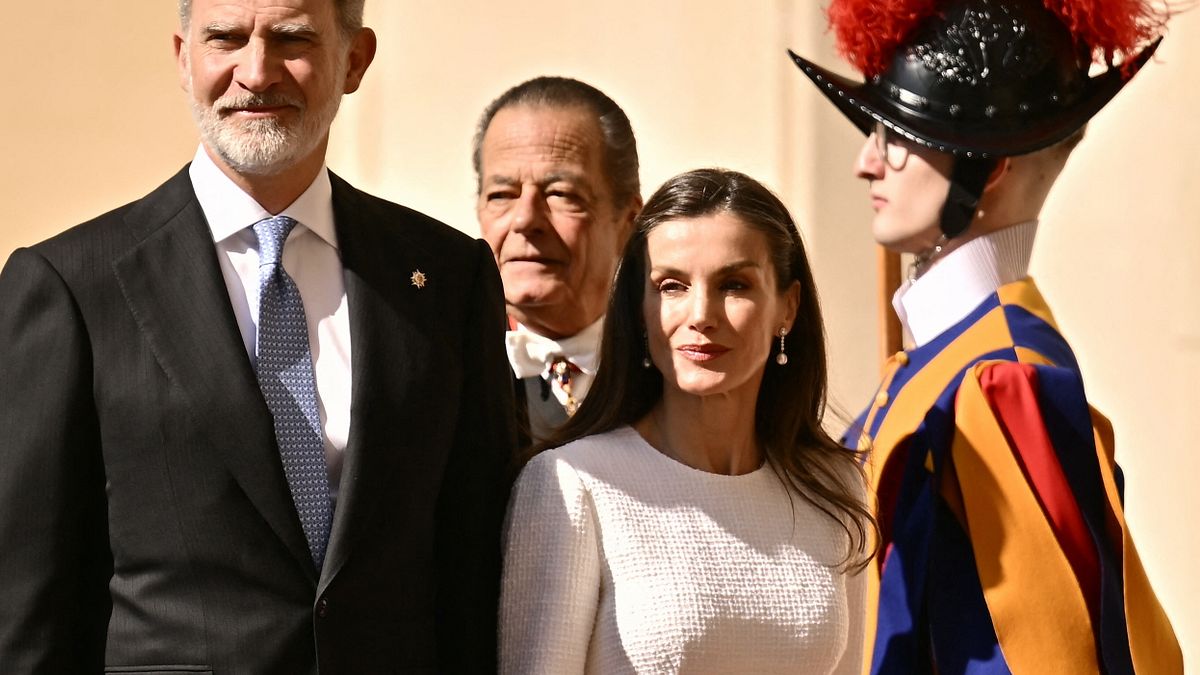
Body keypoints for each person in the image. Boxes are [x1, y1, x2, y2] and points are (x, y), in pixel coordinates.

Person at [0, 0, 515, 671]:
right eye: (226, 39)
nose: (256, 72)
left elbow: (472, 563)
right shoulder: (73, 286)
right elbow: (26, 605)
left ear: (355, 59)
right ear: (183, 59)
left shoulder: (445, 278)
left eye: (292, 39)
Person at [789, 0, 1182, 672]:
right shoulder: (940, 364)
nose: (865, 162)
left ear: (987, 168)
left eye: (896, 136)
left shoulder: (1001, 378)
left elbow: (1056, 653)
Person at [499, 168, 874, 674]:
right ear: (640, 309)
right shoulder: (571, 485)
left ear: (788, 307)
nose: (701, 313)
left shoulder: (834, 484)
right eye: (672, 286)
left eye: (734, 284)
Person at [473, 76, 642, 445]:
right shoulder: (442, 367)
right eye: (502, 194)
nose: (525, 220)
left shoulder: (668, 371)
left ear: (627, 220)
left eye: (561, 194)